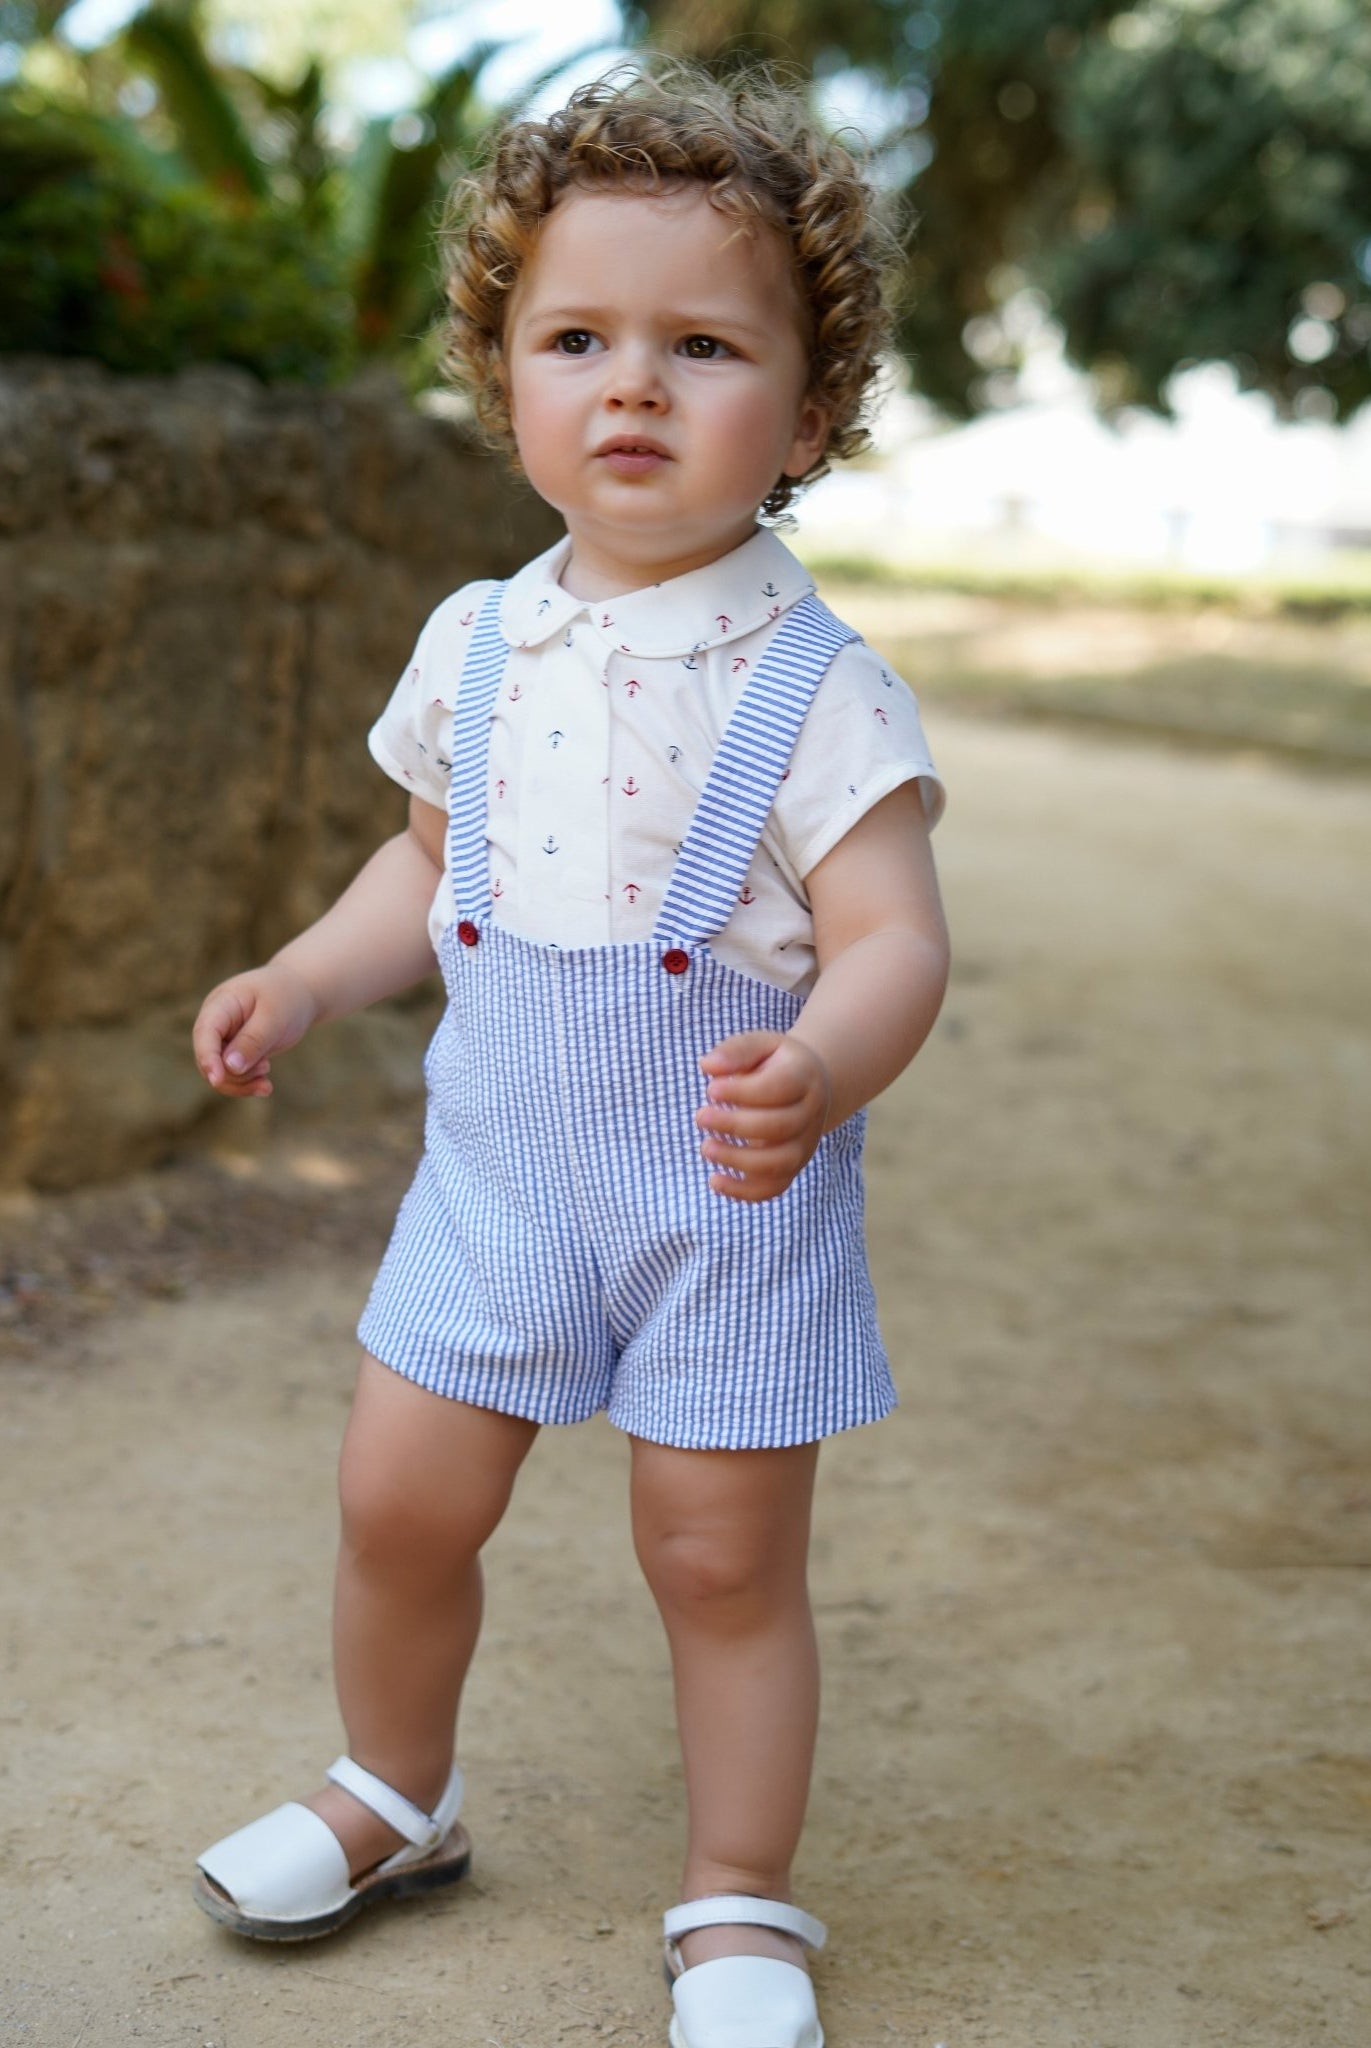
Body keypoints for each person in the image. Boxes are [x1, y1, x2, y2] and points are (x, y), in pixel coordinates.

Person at [189, 62, 949, 2048]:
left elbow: (892, 938)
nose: (629, 385)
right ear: (506, 378)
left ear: (801, 417)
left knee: (714, 1559)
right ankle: (394, 1787)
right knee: (398, 1499)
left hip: (722, 1192)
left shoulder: (815, 686)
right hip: (501, 1180)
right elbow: (424, 864)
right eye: (576, 339)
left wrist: (827, 1063)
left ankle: (736, 1899)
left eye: (698, 347)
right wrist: (306, 970)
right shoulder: (476, 640)